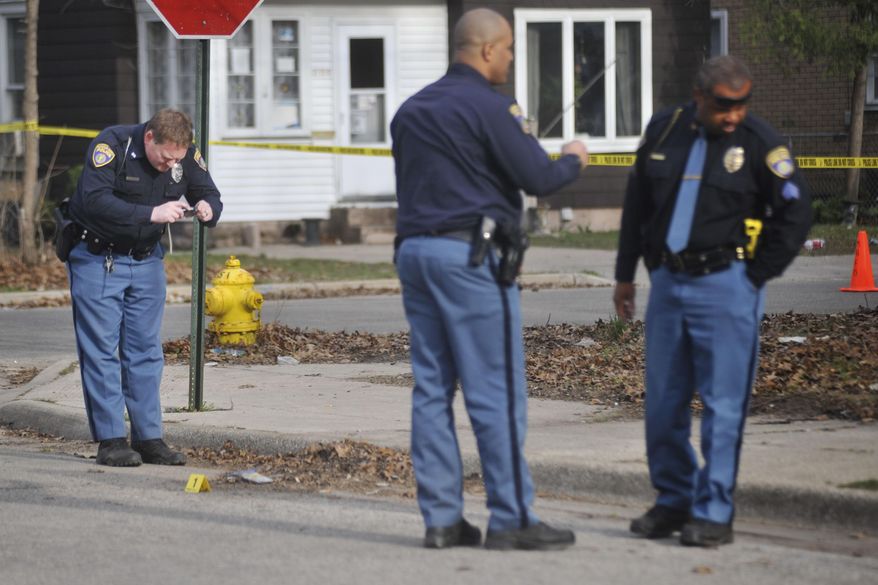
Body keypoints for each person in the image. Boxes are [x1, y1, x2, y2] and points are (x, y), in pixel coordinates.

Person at [391, 8, 589, 551]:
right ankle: (511, 517)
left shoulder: (411, 109)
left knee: (432, 389)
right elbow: (538, 176)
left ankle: (442, 520)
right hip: (469, 261)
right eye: (506, 51)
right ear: (484, 50)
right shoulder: (492, 104)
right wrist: (574, 158)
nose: (508, 60)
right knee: (495, 393)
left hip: (414, 253)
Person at [613, 56, 811, 547]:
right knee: (662, 403)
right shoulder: (665, 129)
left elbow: (796, 212)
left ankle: (714, 511)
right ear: (699, 97)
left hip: (725, 284)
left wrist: (755, 277)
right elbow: (637, 201)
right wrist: (625, 275)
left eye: (742, 104)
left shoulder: (761, 142)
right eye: (725, 105)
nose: (734, 115)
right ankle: (673, 500)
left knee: (723, 406)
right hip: (668, 284)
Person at [66, 108, 223, 467]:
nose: (171, 165)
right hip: (98, 258)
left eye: (177, 159)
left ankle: (149, 437)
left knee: (146, 351)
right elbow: (94, 199)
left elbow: (210, 192)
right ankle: (111, 439)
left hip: (147, 260)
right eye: (166, 157)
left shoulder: (184, 154)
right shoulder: (113, 145)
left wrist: (207, 208)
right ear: (149, 138)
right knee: (102, 350)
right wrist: (150, 214)